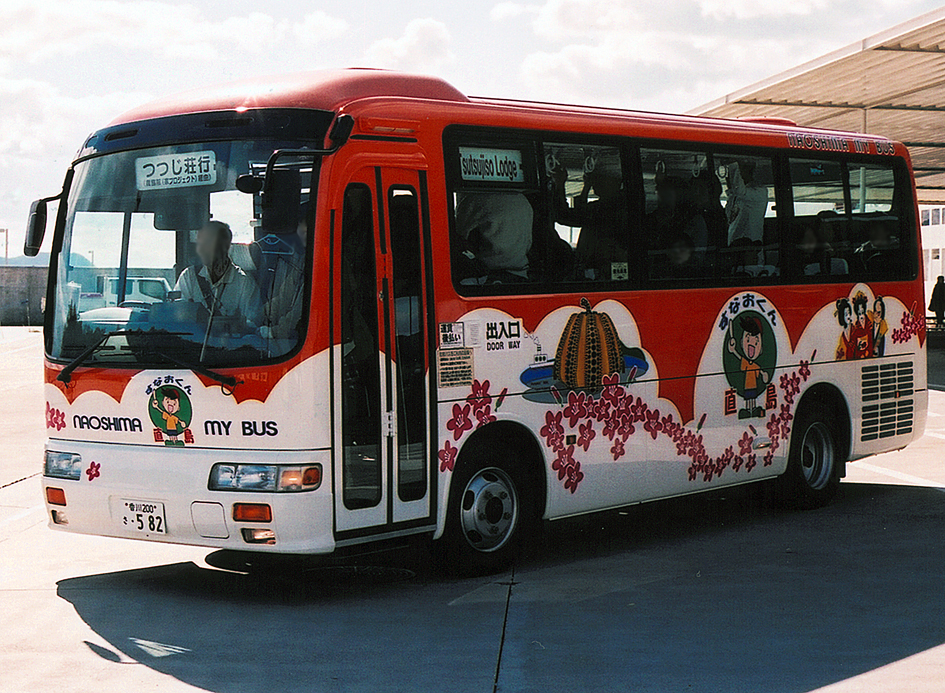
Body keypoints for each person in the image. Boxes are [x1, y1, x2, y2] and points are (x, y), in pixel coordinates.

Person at [175, 220, 263, 330]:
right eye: (199, 244)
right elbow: (178, 317)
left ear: (224, 247)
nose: (201, 249)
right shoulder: (189, 277)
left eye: (207, 244)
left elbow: (252, 324)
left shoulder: (244, 283)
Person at [553, 167, 628, 279]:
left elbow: (565, 216)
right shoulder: (622, 205)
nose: (595, 183)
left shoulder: (605, 208)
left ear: (613, 182)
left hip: (596, 269)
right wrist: (585, 188)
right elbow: (582, 214)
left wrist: (560, 184)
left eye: (599, 179)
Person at [262, 204, 311, 340]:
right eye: (301, 225)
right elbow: (284, 295)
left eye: (300, 225)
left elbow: (300, 313)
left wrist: (272, 333)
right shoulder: (304, 260)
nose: (302, 231)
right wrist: (260, 315)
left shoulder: (324, 260)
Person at [725, 160, 768, 245]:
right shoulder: (735, 196)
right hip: (734, 246)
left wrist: (732, 165)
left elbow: (740, 191)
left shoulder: (760, 191)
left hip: (751, 248)